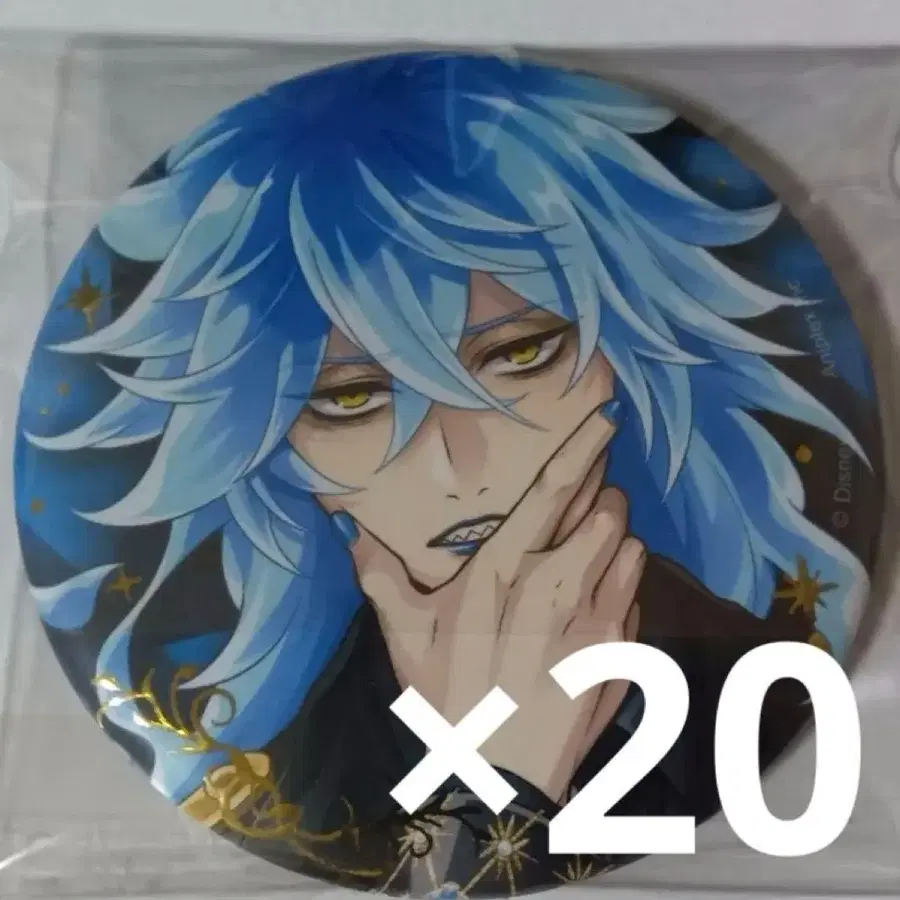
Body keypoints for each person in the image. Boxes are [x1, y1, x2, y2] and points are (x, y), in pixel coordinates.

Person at [20, 52, 877, 896]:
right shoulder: (289, 767)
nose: (457, 465)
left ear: (622, 360)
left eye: (521, 355)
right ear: (274, 449)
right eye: (350, 399)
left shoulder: (755, 683)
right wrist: (499, 773)